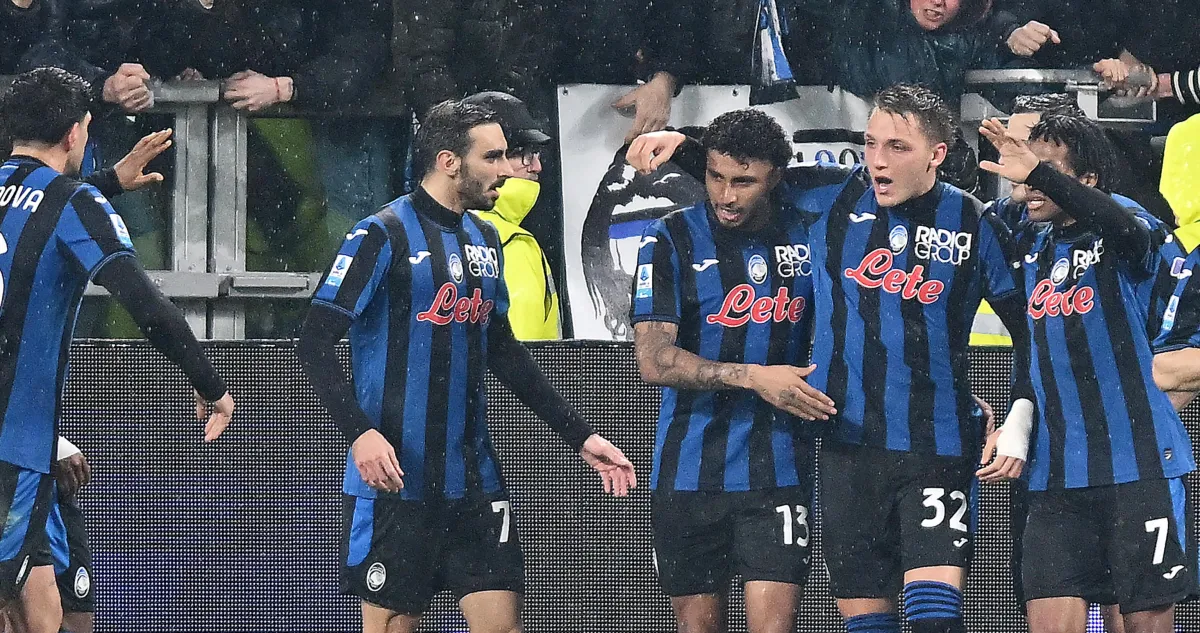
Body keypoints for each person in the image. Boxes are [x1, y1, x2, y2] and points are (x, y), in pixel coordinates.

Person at [629, 83, 1027, 633]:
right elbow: (751, 178)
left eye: (897, 147)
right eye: (871, 143)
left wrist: (1018, 416)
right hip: (847, 448)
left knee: (934, 615)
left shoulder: (975, 223)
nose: (878, 160)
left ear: (936, 154)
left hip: (938, 443)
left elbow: (1034, 330)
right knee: (868, 624)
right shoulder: (833, 196)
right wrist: (685, 145)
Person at [296, 99, 636, 633]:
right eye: (493, 157)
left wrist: (580, 435)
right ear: (449, 161)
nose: (506, 169)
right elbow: (314, 342)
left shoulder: (486, 239)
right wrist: (360, 434)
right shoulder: (381, 234)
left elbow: (500, 348)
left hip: (474, 478)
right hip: (397, 477)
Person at [0, 68, 235, 633]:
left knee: (40, 604)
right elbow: (146, 304)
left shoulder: (62, 198)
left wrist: (107, 182)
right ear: (75, 133)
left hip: (30, 446)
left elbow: (29, 215)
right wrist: (210, 384)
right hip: (14, 445)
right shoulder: (73, 202)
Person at [976, 114, 1196, 633]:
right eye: (1025, 170)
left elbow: (1121, 225)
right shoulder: (1030, 242)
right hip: (1056, 475)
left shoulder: (1128, 227)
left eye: (1045, 170)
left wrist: (1041, 175)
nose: (1030, 183)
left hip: (1139, 468)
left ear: (1088, 178)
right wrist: (1019, 418)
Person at [631, 109, 832, 633]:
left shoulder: (809, 229)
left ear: (777, 177)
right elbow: (653, 360)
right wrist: (754, 377)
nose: (725, 195)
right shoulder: (668, 237)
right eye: (715, 176)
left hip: (779, 471)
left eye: (744, 182)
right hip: (686, 474)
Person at [464, 92, 560, 340]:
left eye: (536, 154)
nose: (537, 166)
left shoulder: (426, 230)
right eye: (525, 154)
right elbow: (520, 347)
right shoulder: (512, 243)